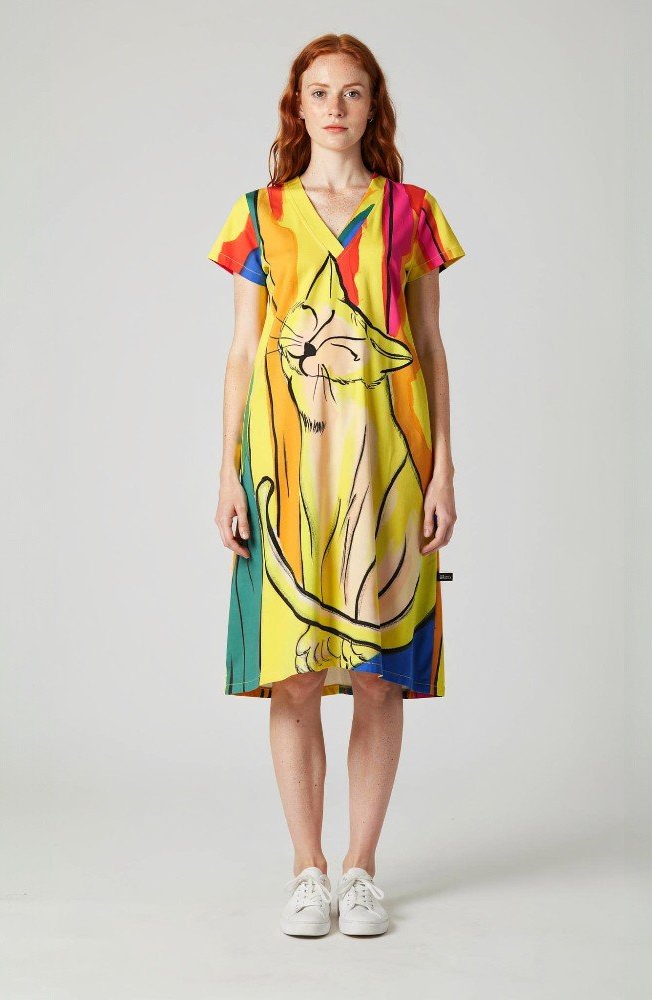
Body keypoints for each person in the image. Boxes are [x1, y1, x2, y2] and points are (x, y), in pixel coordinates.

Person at [207, 32, 465, 937]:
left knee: (381, 676)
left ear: (372, 106)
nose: (335, 108)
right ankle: (306, 869)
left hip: (387, 467)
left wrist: (443, 466)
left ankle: (361, 870)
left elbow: (428, 347)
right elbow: (243, 353)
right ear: (298, 105)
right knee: (293, 678)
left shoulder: (412, 212)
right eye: (319, 92)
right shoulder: (259, 215)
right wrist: (227, 473)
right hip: (282, 465)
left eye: (352, 92)